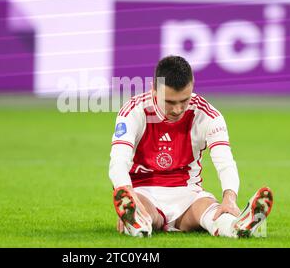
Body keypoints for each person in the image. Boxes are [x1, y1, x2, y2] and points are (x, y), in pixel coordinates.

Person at [109, 55, 273, 238]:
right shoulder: (134, 111)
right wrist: (127, 191)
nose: (178, 109)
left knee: (215, 212)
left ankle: (237, 227)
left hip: (188, 193)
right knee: (144, 211)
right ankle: (137, 220)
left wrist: (230, 197)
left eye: (184, 100)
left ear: (192, 86)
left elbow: (225, 161)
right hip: (144, 191)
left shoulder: (208, 115)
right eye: (170, 102)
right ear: (153, 89)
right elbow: (118, 160)